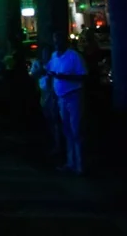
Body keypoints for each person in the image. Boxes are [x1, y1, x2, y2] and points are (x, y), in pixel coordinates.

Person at [46, 35, 87, 174]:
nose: (57, 44)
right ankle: (71, 163)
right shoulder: (54, 56)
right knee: (67, 130)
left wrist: (64, 77)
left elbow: (83, 75)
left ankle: (80, 165)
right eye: (55, 42)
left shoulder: (74, 56)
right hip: (61, 98)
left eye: (59, 41)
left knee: (76, 130)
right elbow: (50, 74)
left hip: (73, 95)